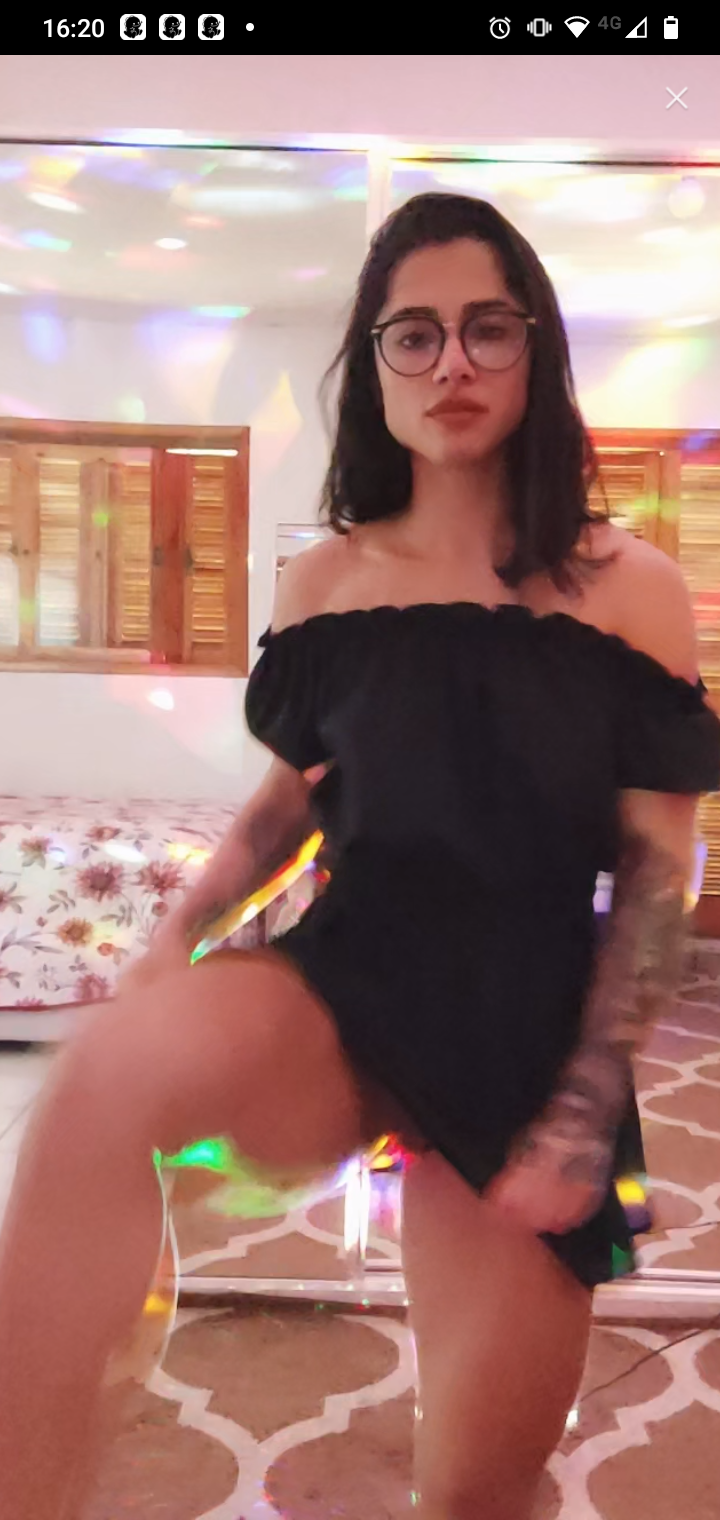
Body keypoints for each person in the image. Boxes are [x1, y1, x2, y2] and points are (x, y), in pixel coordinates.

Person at [0, 192, 718, 1520]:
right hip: (346, 988)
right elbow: (291, 806)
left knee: (477, 1489)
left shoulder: (634, 590)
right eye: (414, 334)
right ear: (376, 366)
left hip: (528, 1043)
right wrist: (179, 937)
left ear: (536, 349)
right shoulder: (325, 585)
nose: (451, 363)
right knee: (101, 1080)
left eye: (487, 328)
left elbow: (661, 876)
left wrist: (582, 1109)